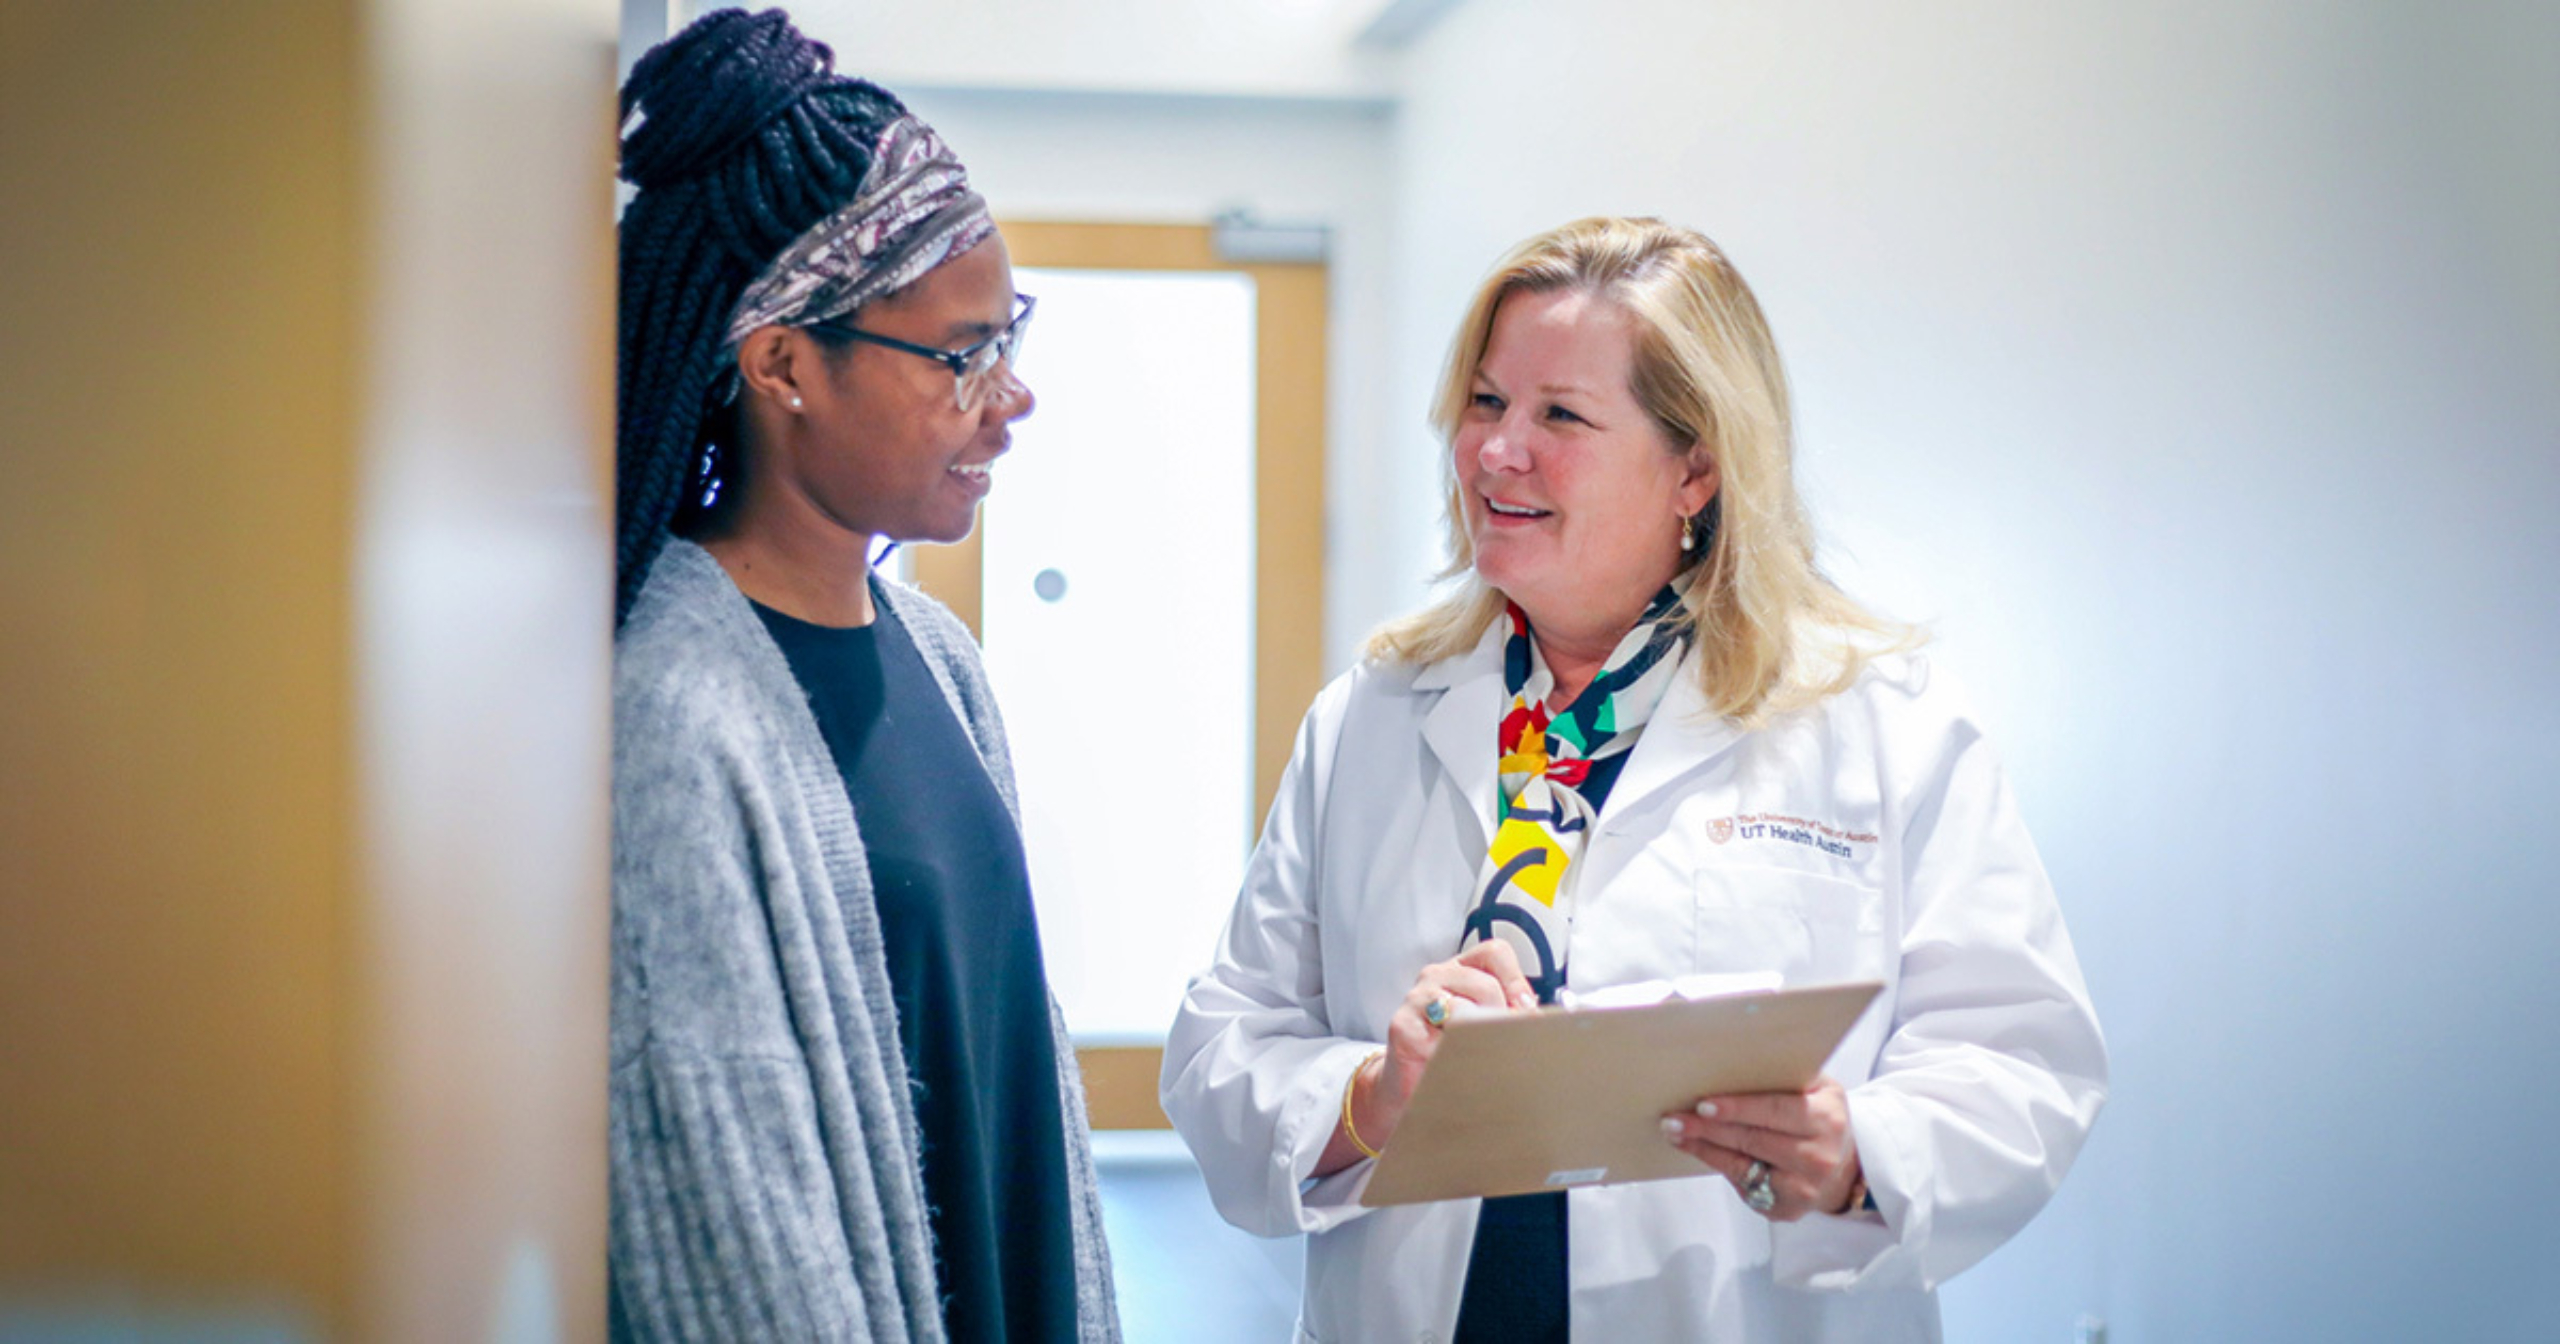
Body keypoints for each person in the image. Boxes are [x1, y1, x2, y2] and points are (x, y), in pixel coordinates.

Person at [1162, 216, 2106, 1341]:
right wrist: (1373, 1100)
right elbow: (1229, 1040)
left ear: (1695, 468)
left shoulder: (1876, 724)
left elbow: (2022, 1060)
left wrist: (1858, 1155)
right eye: (1484, 402)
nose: (1496, 450)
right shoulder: (1371, 716)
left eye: (1560, 414)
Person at [608, 10, 1117, 1341]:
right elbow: (732, 1219)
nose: (1009, 399)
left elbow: (1013, 1080)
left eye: (1009, 338)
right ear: (782, 365)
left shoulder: (939, 658)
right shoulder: (672, 710)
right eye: (961, 356)